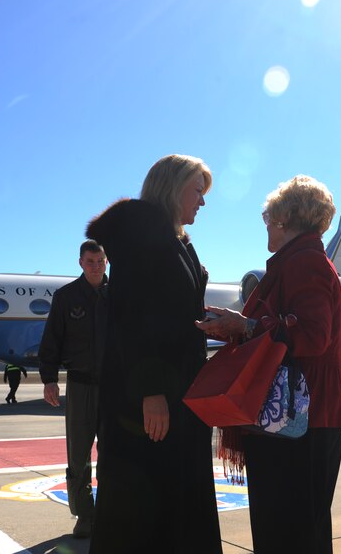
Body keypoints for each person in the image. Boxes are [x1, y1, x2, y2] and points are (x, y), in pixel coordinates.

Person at [198, 175, 341, 554]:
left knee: (293, 530)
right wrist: (240, 322)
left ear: (285, 219)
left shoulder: (304, 263)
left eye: (268, 215)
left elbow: (314, 335)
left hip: (301, 418)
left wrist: (246, 325)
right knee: (291, 527)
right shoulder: (297, 261)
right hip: (295, 418)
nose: (265, 221)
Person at [85, 154, 222, 554]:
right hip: (153, 399)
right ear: (172, 187)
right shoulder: (142, 236)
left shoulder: (173, 240)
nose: (202, 201)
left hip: (179, 393)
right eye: (198, 190)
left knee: (169, 501)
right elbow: (132, 317)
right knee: (143, 506)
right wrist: (151, 391)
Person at [38, 240, 108, 538]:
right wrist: (49, 378)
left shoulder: (119, 295)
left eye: (100, 260)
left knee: (112, 453)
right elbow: (52, 338)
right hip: (79, 384)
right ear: (80, 262)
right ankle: (84, 514)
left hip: (113, 387)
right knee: (78, 454)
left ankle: (108, 511)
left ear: (107, 261)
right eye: (90, 261)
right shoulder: (66, 297)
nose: (95, 266)